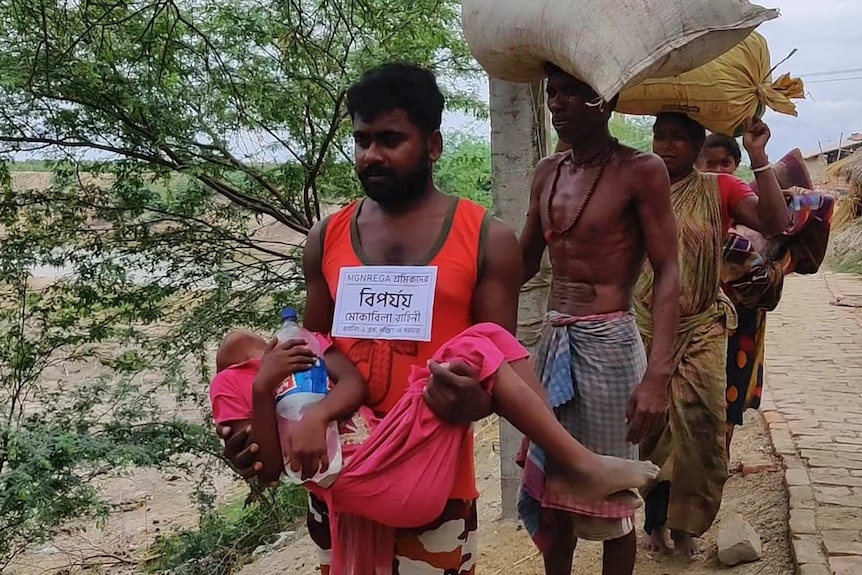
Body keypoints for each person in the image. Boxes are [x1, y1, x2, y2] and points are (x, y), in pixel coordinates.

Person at [215, 62, 515, 575]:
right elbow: (310, 359)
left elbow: (498, 367)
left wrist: (475, 399)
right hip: (337, 476)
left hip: (430, 483)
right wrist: (257, 435)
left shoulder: (487, 238)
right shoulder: (326, 237)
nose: (371, 154)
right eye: (362, 140)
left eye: (391, 139)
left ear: (434, 144)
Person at [518, 63, 681, 575]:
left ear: (606, 101)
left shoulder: (640, 170)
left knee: (614, 496)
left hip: (610, 345)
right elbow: (520, 263)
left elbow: (669, 269)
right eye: (552, 92)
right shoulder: (548, 173)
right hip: (554, 344)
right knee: (552, 497)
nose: (557, 104)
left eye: (571, 93)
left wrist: (657, 376)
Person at [635, 113, 787, 557]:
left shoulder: (718, 189)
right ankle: (654, 524)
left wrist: (758, 156)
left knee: (702, 429)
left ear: (697, 144)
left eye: (677, 139)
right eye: (659, 136)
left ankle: (687, 528)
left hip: (702, 325)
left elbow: (774, 222)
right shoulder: (640, 185)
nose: (665, 146)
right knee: (654, 431)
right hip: (645, 324)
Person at [696, 133, 789, 466]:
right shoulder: (688, 204)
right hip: (699, 324)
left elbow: (762, 276)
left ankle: (716, 465)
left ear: (736, 165)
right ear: (696, 163)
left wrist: (758, 154)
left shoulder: (743, 206)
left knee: (728, 400)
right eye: (710, 162)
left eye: (727, 163)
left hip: (742, 325)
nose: (719, 169)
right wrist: (778, 266)